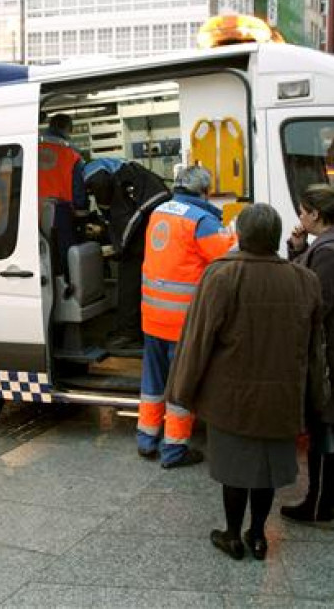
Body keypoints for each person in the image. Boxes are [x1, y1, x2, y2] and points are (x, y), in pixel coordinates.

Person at [164, 203, 326, 561]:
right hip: (282, 397)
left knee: (235, 471)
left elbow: (198, 339)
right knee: (266, 471)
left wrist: (181, 391)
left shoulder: (221, 275)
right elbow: (315, 349)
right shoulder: (304, 280)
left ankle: (233, 535)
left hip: (231, 398)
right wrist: (317, 396)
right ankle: (258, 535)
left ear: (242, 235)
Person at [281, 184, 334, 528]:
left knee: (323, 427)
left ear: (316, 214)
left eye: (303, 211)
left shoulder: (330, 252)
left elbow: (315, 302)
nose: (300, 217)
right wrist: (300, 248)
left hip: (328, 351)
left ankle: (318, 506)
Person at [137, 165, 236, 468]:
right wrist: (233, 232)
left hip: (152, 316)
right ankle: (174, 450)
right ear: (205, 191)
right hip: (181, 323)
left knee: (152, 382)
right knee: (180, 386)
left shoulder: (159, 211)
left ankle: (146, 439)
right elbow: (228, 258)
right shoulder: (201, 221)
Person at [84, 158, 171, 350]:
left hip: (145, 210)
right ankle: (136, 329)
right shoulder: (111, 167)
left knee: (129, 270)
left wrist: (116, 244)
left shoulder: (89, 169)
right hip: (153, 206)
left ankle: (129, 333)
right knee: (139, 272)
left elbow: (122, 218)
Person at [38, 114, 87, 271]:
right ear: (68, 128)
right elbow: (78, 184)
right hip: (59, 209)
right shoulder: (71, 151)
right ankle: (68, 286)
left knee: (40, 252)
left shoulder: (32, 144)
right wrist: (81, 208)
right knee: (66, 254)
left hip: (32, 208)